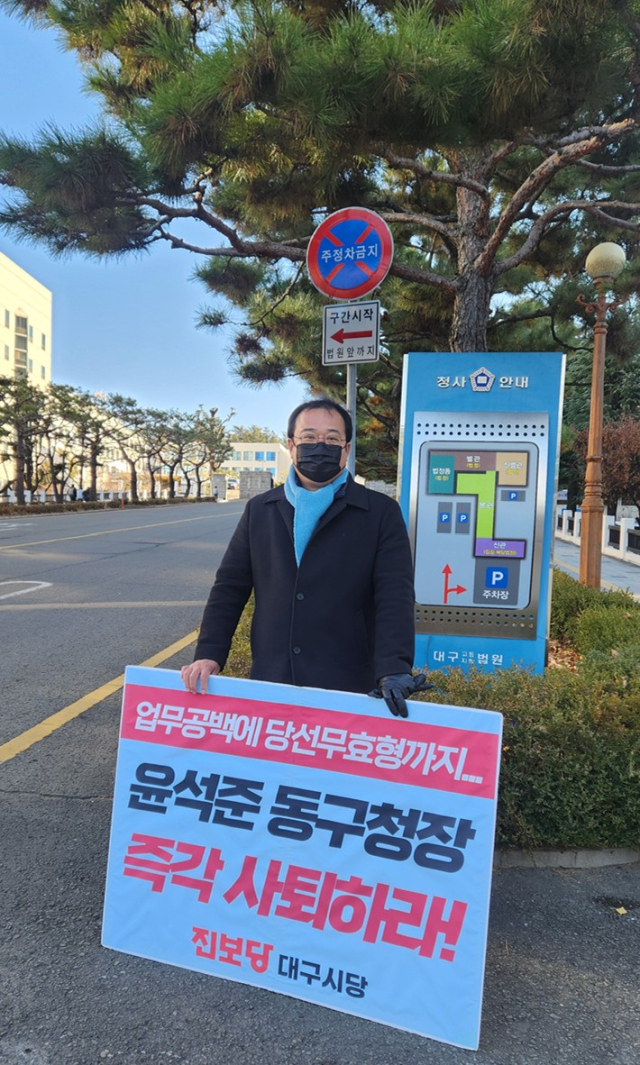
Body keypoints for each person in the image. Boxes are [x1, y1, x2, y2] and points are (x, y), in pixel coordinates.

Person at [181, 399, 428, 718]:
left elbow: (394, 595)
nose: (320, 447)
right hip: (272, 675)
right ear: (291, 445)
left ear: (346, 449)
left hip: (350, 681)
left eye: (332, 439)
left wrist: (394, 668)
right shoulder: (260, 510)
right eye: (309, 437)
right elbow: (229, 587)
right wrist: (209, 653)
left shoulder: (380, 512)